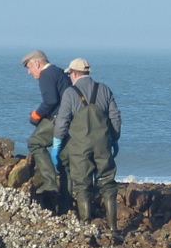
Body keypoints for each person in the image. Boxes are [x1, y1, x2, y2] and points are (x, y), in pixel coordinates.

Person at [51, 59, 122, 229]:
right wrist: (114, 138)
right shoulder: (104, 89)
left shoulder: (70, 92)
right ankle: (113, 228)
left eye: (70, 74)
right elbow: (115, 118)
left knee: (82, 185)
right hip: (102, 144)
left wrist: (56, 143)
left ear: (74, 74)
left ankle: (86, 226)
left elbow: (62, 122)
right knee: (107, 183)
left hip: (79, 146)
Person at [22, 50, 71, 212]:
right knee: (65, 162)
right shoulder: (59, 71)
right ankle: (65, 206)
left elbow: (51, 100)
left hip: (59, 118)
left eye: (29, 67)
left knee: (35, 142)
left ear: (37, 63)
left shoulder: (46, 74)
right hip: (70, 119)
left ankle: (49, 181)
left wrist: (36, 115)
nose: (29, 72)